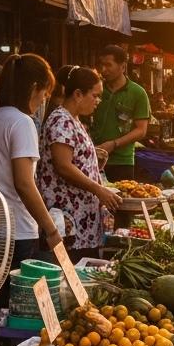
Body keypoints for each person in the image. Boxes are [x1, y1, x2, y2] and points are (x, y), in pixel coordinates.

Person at [0, 54, 64, 341]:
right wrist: (50, 227)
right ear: (34, 87)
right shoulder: (22, 122)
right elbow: (24, 182)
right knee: (16, 315)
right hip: (16, 231)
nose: (44, 99)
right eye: (45, 91)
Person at [40, 65, 122, 261]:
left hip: (83, 218)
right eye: (95, 95)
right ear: (78, 94)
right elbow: (63, 166)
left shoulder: (73, 119)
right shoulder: (61, 121)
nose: (98, 101)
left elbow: (74, 160)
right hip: (70, 219)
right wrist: (98, 189)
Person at [92, 45, 151, 182]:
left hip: (122, 161)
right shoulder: (96, 90)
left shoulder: (138, 93)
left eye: (108, 65)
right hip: (92, 157)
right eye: (101, 65)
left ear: (123, 67)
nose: (103, 70)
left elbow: (141, 130)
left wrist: (113, 144)